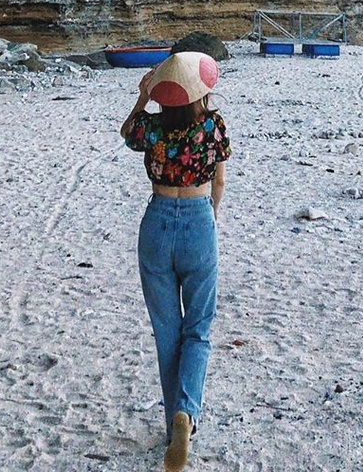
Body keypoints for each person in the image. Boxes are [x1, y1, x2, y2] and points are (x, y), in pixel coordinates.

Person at [120, 51, 231, 472]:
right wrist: (211, 216)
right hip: (199, 219)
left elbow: (127, 131)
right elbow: (218, 180)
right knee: (197, 329)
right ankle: (187, 410)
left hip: (157, 221)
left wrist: (142, 97)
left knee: (167, 332)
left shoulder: (151, 127)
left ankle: (173, 428)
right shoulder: (213, 125)